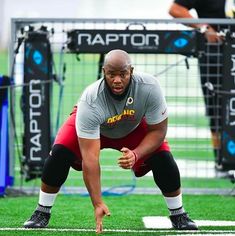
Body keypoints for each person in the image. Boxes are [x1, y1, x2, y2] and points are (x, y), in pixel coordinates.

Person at [23, 49, 198, 233]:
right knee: (59, 153)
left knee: (163, 158)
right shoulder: (91, 100)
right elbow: (90, 158)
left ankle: (178, 213)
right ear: (103, 72)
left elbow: (158, 131)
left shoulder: (149, 87)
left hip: (133, 127)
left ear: (131, 70)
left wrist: (136, 153)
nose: (117, 80)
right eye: (111, 74)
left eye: (122, 74)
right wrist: (97, 203)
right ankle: (42, 211)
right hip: (96, 129)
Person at [168, 0, 231, 168]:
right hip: (214, 54)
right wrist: (204, 28)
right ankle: (222, 161)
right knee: (216, 108)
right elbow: (176, 9)